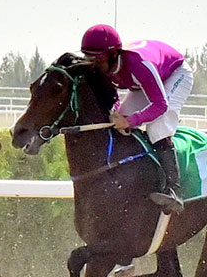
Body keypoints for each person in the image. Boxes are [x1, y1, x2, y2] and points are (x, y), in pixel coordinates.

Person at [80, 24, 193, 214]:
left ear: (114, 54)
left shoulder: (138, 66)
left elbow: (160, 105)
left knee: (157, 127)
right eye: (88, 58)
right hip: (144, 82)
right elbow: (113, 97)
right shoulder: (103, 66)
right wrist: (118, 114)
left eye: (97, 59)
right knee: (116, 120)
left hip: (174, 74)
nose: (93, 64)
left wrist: (132, 121)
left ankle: (174, 191)